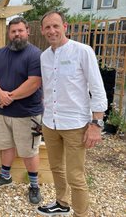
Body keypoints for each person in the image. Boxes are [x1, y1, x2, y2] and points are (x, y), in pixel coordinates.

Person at [37, 11, 107, 216]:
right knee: (56, 167)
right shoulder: (44, 57)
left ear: (65, 27)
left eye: (56, 26)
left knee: (76, 175)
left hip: (75, 124)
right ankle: (61, 203)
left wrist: (96, 124)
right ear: (42, 31)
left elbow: (98, 88)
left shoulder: (82, 51)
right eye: (47, 27)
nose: (52, 31)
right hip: (50, 122)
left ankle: (81, 213)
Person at [0, 17, 43, 204]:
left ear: (27, 31)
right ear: (9, 33)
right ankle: (5, 176)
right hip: (3, 113)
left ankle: (34, 185)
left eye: (20, 30)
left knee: (29, 151)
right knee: (5, 145)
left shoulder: (35, 54)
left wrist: (7, 98)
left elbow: (34, 82)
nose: (17, 34)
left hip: (27, 113)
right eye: (13, 31)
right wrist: (0, 94)